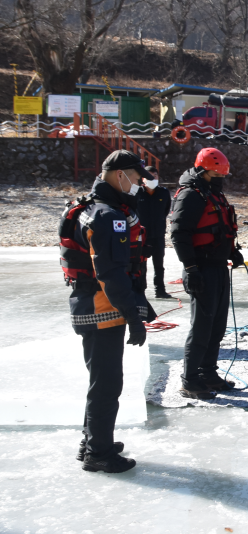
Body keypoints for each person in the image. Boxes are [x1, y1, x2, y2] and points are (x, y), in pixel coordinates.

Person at [58, 150, 154, 473]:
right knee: (107, 383)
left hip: (90, 307)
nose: (138, 184)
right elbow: (111, 274)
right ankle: (98, 452)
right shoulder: (107, 216)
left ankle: (92, 440)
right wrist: (133, 315)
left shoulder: (92, 208)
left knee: (100, 380)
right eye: (136, 178)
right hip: (102, 310)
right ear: (118, 175)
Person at [170, 147, 243, 399]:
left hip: (219, 266)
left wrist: (232, 252)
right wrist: (190, 268)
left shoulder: (213, 193)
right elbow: (179, 234)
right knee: (201, 326)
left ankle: (208, 373)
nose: (220, 178)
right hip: (200, 268)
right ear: (202, 171)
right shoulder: (190, 196)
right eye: (215, 174)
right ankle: (190, 379)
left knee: (217, 325)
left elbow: (221, 228)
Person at [135, 164, 172, 299]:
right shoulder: (137, 193)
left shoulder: (163, 192)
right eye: (148, 176)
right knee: (141, 266)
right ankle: (140, 291)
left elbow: (166, 211)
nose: (152, 178)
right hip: (142, 236)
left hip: (158, 235)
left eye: (154, 175)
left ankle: (160, 290)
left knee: (159, 265)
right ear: (143, 179)